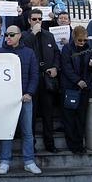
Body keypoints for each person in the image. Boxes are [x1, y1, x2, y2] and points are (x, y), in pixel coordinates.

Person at [0, 26, 41, 175]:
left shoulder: (29, 53)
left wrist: (29, 93)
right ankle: (4, 161)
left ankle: (29, 161)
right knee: (7, 131)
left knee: (27, 132)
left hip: (24, 98)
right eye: (6, 34)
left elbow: (34, 75)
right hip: (6, 100)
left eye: (12, 34)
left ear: (20, 36)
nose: (8, 37)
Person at [21, 9, 61, 153]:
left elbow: (56, 53)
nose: (37, 22)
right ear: (29, 21)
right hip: (32, 79)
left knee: (48, 113)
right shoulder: (25, 35)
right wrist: (34, 33)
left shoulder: (49, 35)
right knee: (31, 114)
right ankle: (30, 145)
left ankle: (50, 143)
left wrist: (55, 67)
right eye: (34, 19)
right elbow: (24, 49)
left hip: (47, 78)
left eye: (39, 19)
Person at [60, 26, 92, 154]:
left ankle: (79, 144)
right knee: (69, 117)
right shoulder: (67, 48)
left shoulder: (89, 49)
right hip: (70, 87)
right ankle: (72, 144)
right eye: (80, 40)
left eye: (84, 40)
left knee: (81, 117)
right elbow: (66, 67)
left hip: (84, 87)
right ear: (74, 38)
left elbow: (91, 68)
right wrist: (78, 80)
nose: (82, 43)